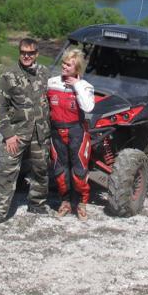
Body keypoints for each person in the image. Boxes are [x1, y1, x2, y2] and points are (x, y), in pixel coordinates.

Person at [0, 38, 51, 225]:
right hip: (17, 133)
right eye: (23, 52)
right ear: (19, 52)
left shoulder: (45, 73)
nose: (26, 56)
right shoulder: (8, 76)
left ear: (36, 54)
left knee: (41, 170)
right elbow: (0, 107)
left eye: (30, 53)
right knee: (5, 171)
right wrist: (8, 135)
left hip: (40, 133)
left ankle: (37, 203)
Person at [47, 48, 96, 220]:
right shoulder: (52, 82)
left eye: (69, 65)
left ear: (77, 69)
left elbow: (89, 107)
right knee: (60, 171)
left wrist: (76, 85)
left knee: (79, 171)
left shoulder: (85, 86)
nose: (65, 67)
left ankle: (81, 204)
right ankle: (65, 202)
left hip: (76, 132)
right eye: (64, 63)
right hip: (56, 132)